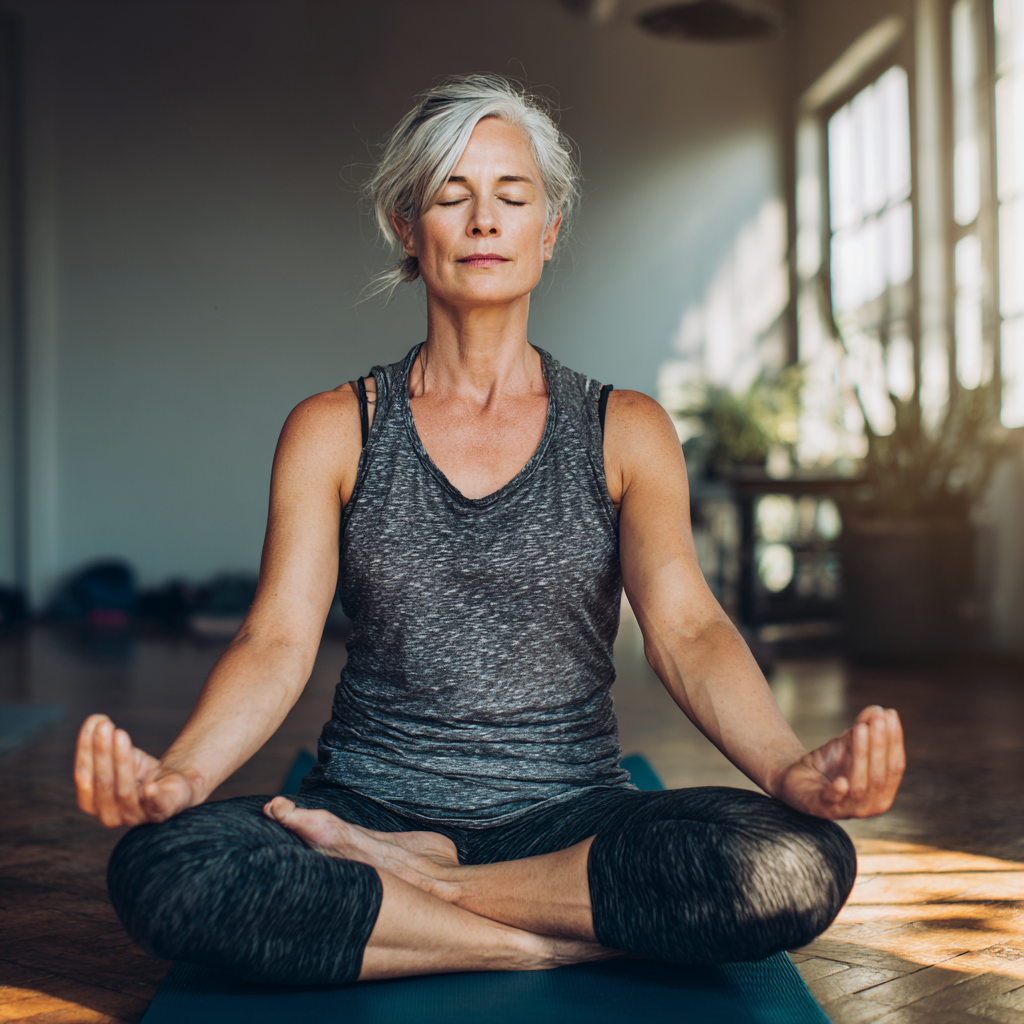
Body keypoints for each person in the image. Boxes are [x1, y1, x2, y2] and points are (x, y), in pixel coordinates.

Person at [74, 75, 904, 987]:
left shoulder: (624, 427)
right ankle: (533, 935)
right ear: (406, 225)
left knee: (796, 862)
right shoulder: (332, 429)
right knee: (167, 871)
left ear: (547, 233)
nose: (483, 222)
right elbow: (275, 639)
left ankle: (430, 897)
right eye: (450, 196)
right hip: (365, 807)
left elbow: (689, 628)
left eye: (513, 199)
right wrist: (181, 778)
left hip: (573, 818)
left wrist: (790, 773)